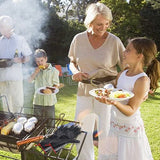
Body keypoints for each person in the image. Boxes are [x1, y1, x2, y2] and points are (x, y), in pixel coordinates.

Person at [68, 2, 125, 160]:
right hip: (84, 89)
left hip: (106, 90)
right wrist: (76, 72)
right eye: (99, 24)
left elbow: (126, 67)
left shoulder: (114, 41)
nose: (104, 27)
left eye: (107, 23)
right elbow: (72, 61)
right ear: (90, 22)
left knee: (105, 129)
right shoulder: (78, 39)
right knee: (81, 128)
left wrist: (122, 84)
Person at [96, 37, 160, 160]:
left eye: (128, 50)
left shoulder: (142, 80)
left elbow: (131, 110)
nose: (124, 53)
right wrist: (105, 94)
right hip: (115, 126)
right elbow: (114, 91)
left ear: (139, 56)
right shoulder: (122, 73)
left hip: (129, 131)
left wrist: (114, 102)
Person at [0, 15, 32, 113]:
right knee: (6, 106)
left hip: (15, 77)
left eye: (3, 26)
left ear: (10, 26)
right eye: (0, 26)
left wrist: (19, 60)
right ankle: (9, 125)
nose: (1, 28)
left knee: (18, 105)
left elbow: (28, 57)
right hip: (2, 79)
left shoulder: (20, 39)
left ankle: (19, 124)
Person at [28, 49, 59, 126]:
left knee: (50, 123)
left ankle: (51, 137)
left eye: (41, 60)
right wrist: (35, 72)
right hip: (38, 101)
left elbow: (56, 85)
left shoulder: (54, 71)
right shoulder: (35, 71)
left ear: (46, 59)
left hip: (49, 102)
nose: (40, 63)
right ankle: (39, 137)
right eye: (37, 61)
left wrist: (51, 89)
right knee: (37, 123)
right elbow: (29, 80)